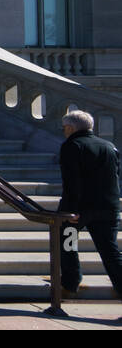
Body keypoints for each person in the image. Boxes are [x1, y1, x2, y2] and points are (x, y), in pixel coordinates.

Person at [57, 109, 122, 304]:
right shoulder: (109, 146)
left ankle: (70, 282)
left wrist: (70, 209)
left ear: (70, 127)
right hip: (108, 209)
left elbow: (71, 182)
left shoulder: (72, 146)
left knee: (68, 243)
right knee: (110, 252)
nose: (63, 131)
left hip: (80, 210)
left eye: (64, 128)